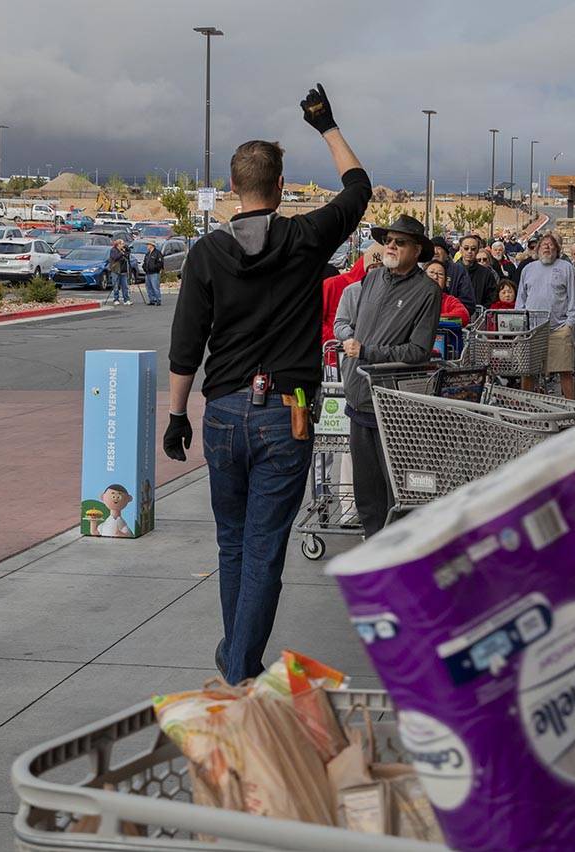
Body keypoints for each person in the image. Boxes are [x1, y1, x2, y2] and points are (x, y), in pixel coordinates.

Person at [165, 84, 372, 684]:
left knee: (233, 544)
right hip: (289, 412)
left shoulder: (205, 254)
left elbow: (187, 345)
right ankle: (238, 668)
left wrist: (178, 416)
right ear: (280, 188)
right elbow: (358, 190)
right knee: (262, 550)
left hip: (225, 412)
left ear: (233, 188)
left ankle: (239, 661)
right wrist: (327, 127)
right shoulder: (305, 239)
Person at [334, 214, 440, 538]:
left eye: (400, 242)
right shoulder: (372, 278)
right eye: (389, 240)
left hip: (394, 405)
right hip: (358, 397)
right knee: (366, 489)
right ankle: (373, 545)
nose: (391, 246)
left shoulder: (427, 292)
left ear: (417, 249)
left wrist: (368, 352)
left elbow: (418, 351)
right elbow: (355, 327)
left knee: (398, 487)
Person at [516, 232, 575, 398]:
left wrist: (569, 325)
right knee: (528, 372)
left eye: (551, 245)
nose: (547, 248)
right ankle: (525, 408)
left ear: (557, 250)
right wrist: (521, 324)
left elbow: (573, 298)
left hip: (558, 329)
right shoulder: (527, 269)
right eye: (544, 245)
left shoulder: (567, 268)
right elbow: (520, 298)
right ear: (537, 249)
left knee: (565, 371)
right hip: (532, 331)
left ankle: (573, 410)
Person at [431, 235, 475, 314]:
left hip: (452, 322)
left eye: (439, 248)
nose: (435, 252)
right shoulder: (422, 271)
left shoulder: (458, 271)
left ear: (446, 254)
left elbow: (468, 303)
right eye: (432, 248)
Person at [424, 259, 471, 326]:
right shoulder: (415, 298)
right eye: (431, 272)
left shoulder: (450, 300)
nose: (435, 277)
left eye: (440, 274)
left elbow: (463, 317)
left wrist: (433, 320)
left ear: (445, 282)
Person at [458, 233, 499, 308]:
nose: (469, 251)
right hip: (455, 315)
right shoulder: (452, 271)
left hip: (479, 315)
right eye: (466, 248)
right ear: (460, 249)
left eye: (473, 249)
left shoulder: (486, 273)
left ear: (477, 250)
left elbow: (492, 297)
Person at [108, 239, 131, 306]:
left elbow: (127, 257)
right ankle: (116, 299)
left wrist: (127, 252)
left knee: (125, 286)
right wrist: (121, 253)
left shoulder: (123, 250)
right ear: (118, 244)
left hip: (123, 270)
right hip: (116, 270)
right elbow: (115, 257)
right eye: (122, 243)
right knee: (116, 286)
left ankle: (126, 299)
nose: (123, 245)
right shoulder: (113, 250)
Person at [142, 241, 164, 306]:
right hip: (147, 273)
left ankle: (158, 300)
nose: (147, 246)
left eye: (148, 244)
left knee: (155, 287)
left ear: (152, 245)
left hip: (154, 273)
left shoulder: (157, 253)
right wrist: (144, 267)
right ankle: (152, 300)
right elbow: (145, 262)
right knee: (148, 287)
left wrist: (154, 268)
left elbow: (160, 263)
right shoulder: (147, 254)